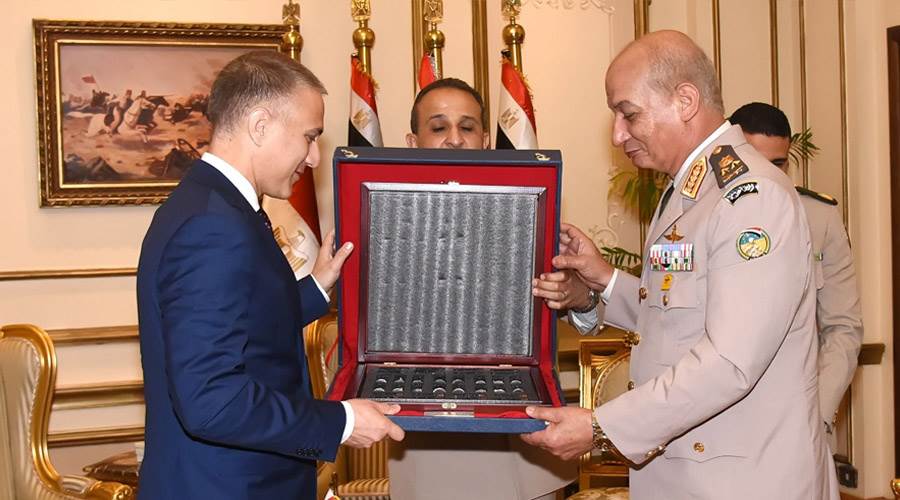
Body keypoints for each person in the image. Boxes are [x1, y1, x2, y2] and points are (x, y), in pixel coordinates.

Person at [527, 31, 838, 499]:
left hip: (742, 484)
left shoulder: (750, 198)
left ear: (685, 101)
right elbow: (678, 318)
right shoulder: (691, 189)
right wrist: (600, 284)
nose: (617, 134)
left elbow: (729, 360)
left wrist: (601, 427)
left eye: (629, 114)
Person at [136, 51, 404, 500]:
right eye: (309, 137)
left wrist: (316, 285)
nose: (314, 157)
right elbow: (212, 400)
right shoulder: (214, 224)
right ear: (260, 125)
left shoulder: (212, 205)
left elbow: (245, 320)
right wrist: (341, 422)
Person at [388, 78, 574, 500]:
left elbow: (568, 303)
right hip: (432, 441)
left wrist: (573, 294)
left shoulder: (531, 206)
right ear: (412, 142)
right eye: (439, 127)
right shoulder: (387, 216)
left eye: (467, 127)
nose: (455, 139)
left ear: (486, 140)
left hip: (522, 445)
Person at [729, 101, 863, 443]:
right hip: (722, 422)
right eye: (754, 160)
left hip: (800, 422)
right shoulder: (702, 215)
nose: (766, 174)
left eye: (778, 163)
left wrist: (817, 414)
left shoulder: (819, 217)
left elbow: (843, 327)